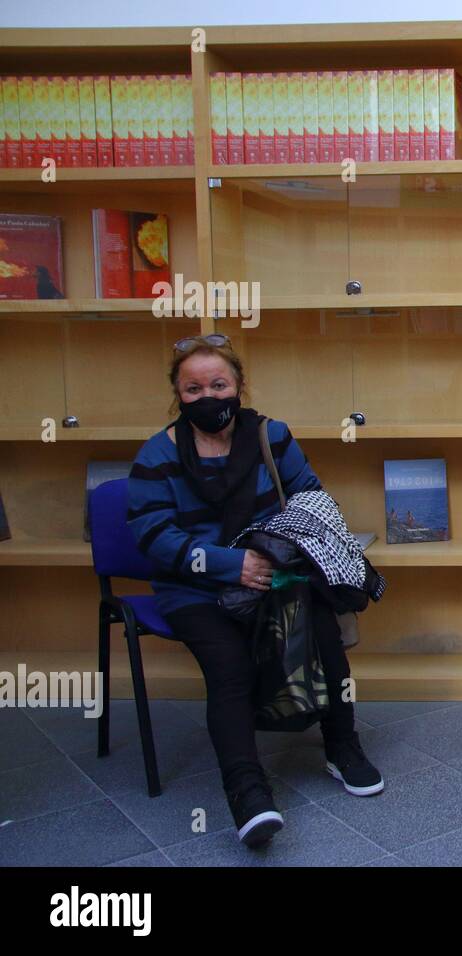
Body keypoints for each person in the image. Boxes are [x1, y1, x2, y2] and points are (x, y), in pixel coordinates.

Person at [127, 334, 383, 848]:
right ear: (178, 396)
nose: (208, 397)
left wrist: (272, 552)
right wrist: (229, 564)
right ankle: (248, 793)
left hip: (276, 573)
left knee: (326, 645)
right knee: (230, 669)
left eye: (218, 384)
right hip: (194, 587)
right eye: (193, 388)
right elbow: (152, 536)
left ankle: (342, 747)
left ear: (239, 385)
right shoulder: (157, 453)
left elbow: (309, 498)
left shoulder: (272, 436)